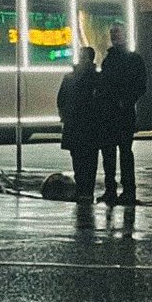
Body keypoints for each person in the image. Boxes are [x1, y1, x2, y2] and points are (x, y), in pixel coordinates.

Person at [95, 23, 147, 206]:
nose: (114, 36)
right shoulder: (118, 59)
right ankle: (118, 190)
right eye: (112, 33)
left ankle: (123, 190)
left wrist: (125, 100)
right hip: (115, 112)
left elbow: (140, 85)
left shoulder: (127, 59)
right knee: (114, 152)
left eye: (117, 33)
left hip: (119, 112)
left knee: (121, 152)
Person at [57, 47, 99, 203]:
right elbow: (61, 99)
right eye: (81, 56)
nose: (82, 60)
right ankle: (84, 190)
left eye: (84, 57)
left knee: (83, 158)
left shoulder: (72, 78)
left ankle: (85, 190)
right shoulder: (93, 77)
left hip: (82, 124)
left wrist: (65, 114)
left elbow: (61, 99)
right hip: (83, 124)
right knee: (82, 158)